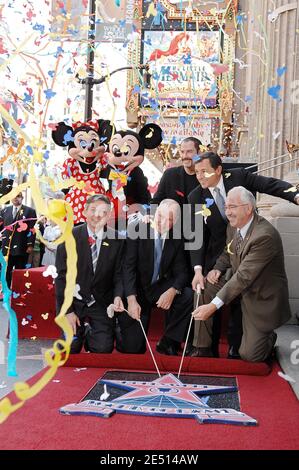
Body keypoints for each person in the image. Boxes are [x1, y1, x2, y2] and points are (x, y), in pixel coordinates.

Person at [188, 152, 299, 357]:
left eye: (205, 171)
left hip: (252, 264)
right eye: (196, 173)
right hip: (224, 254)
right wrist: (204, 270)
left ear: (219, 169)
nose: (200, 176)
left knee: (245, 350)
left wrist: (294, 195)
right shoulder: (195, 196)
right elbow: (196, 238)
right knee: (206, 286)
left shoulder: (239, 178)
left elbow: (270, 184)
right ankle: (202, 348)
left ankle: (242, 341)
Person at [55, 194, 142, 354]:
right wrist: (67, 311)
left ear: (109, 215)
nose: (97, 215)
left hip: (101, 303)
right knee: (68, 349)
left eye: (103, 211)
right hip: (74, 302)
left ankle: (93, 333)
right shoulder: (69, 238)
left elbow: (119, 274)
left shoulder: (118, 240)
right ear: (84, 211)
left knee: (102, 349)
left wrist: (117, 296)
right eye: (93, 210)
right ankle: (79, 331)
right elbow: (62, 279)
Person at [124, 199, 193, 355]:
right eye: (161, 216)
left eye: (170, 219)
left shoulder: (176, 237)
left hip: (159, 287)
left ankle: (169, 341)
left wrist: (173, 290)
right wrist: (131, 299)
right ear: (155, 213)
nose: (163, 222)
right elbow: (128, 268)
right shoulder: (138, 229)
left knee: (187, 295)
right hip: (138, 289)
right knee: (132, 349)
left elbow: (182, 272)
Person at [151, 137, 202, 206]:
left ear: (199, 153)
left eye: (189, 151)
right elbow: (156, 201)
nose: (185, 156)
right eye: (182, 152)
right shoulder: (169, 175)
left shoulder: (207, 177)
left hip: (198, 216)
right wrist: (150, 215)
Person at [0, 192, 36, 286]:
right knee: (6, 270)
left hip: (22, 246)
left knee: (20, 270)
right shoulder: (4, 211)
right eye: (14, 196)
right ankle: (6, 290)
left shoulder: (30, 211)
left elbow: (32, 229)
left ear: (22, 198)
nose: (16, 198)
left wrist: (30, 245)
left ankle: (18, 291)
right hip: (7, 247)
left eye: (18, 196)